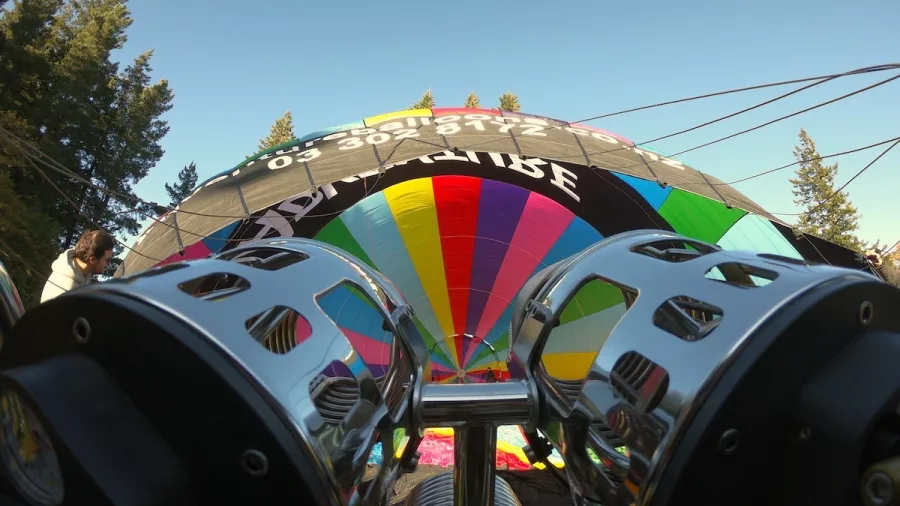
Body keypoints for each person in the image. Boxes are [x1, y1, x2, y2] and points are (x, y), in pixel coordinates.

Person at [40, 230, 115, 303]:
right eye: (107, 260)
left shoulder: (81, 268)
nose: (109, 264)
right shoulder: (67, 291)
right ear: (92, 260)